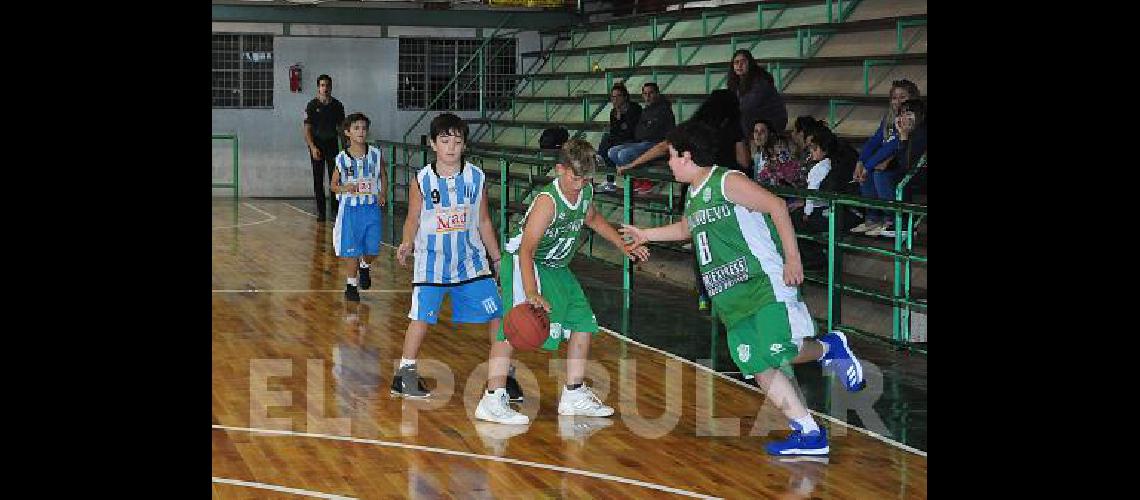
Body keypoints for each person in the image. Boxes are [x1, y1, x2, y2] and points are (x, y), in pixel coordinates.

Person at [620, 121, 867, 456]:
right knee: (756, 362)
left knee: (777, 348)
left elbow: (777, 206)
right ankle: (808, 432)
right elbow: (686, 228)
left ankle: (830, 347)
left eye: (672, 156)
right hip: (729, 295)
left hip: (762, 282)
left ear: (687, 156)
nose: (669, 163)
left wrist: (792, 258)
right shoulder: (694, 194)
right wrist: (647, 234)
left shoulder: (727, 181)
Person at [474, 138, 650, 425]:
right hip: (524, 264)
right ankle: (492, 399)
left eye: (586, 178)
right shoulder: (547, 202)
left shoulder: (584, 193)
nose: (580, 184)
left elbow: (592, 218)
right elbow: (526, 251)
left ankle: (574, 394)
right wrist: (531, 292)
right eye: (575, 177)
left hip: (557, 267)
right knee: (514, 328)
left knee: (584, 323)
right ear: (560, 170)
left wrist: (623, 245)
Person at [391, 113, 523, 402]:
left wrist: (497, 258)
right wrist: (406, 241)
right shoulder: (422, 180)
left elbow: (484, 221)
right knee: (420, 319)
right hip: (432, 263)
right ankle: (404, 374)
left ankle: (502, 375)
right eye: (445, 140)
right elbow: (412, 219)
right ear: (433, 144)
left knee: (497, 316)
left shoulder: (476, 177)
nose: (451, 147)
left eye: (457, 141)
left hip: (471, 263)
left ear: (464, 145)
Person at [851, 79, 921, 235]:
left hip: (909, 165)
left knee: (879, 174)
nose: (897, 101)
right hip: (891, 161)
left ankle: (896, 220)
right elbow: (874, 141)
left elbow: (895, 145)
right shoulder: (889, 118)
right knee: (867, 173)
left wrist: (868, 166)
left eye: (902, 97)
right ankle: (874, 217)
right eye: (894, 98)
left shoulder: (911, 118)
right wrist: (861, 161)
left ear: (913, 98)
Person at [329, 112, 386, 302]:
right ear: (347, 132)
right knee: (352, 249)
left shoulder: (376, 154)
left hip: (371, 207)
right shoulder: (342, 159)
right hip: (351, 210)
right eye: (356, 128)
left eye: (363, 128)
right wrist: (345, 187)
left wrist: (383, 193)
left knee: (372, 249)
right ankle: (351, 286)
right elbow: (333, 185)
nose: (361, 132)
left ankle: (365, 265)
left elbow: (383, 175)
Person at [606, 82, 676, 182]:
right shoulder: (646, 110)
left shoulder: (663, 109)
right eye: (645, 94)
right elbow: (638, 131)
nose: (648, 96)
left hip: (657, 144)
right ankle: (633, 179)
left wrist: (644, 130)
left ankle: (642, 181)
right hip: (642, 142)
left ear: (657, 94)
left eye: (650, 93)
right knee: (612, 152)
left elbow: (651, 132)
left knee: (624, 154)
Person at [303, 74, 346, 221]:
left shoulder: (337, 106)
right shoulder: (312, 106)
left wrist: (346, 148)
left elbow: (342, 129)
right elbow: (307, 129)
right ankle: (321, 212)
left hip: (332, 144)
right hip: (317, 145)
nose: (325, 88)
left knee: (334, 178)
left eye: (327, 85)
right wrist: (312, 147)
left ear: (331, 87)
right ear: (318, 87)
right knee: (318, 178)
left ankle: (335, 210)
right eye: (322, 85)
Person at [728, 49, 788, 139]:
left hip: (772, 120)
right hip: (755, 118)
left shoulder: (759, 81)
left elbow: (747, 106)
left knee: (739, 122)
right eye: (736, 62)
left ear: (750, 64)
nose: (739, 65)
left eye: (743, 62)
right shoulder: (736, 82)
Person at [596, 83, 641, 170]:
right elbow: (614, 130)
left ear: (625, 97)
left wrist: (620, 119)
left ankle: (600, 158)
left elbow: (630, 130)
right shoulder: (614, 112)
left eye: (618, 96)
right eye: (613, 97)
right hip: (619, 138)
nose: (615, 99)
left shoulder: (634, 108)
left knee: (609, 144)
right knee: (607, 138)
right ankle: (602, 161)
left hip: (633, 139)